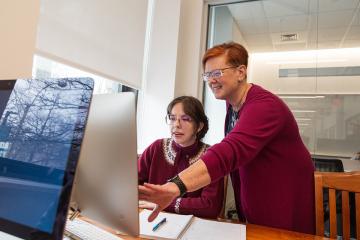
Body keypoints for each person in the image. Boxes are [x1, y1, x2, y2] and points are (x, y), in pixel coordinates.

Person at [139, 42, 316, 234]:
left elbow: (230, 150)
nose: (211, 80)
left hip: (282, 200)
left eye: (217, 73)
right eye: (207, 75)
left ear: (241, 72)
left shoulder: (264, 106)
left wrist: (174, 188)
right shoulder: (232, 106)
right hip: (255, 201)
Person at [138, 96, 224, 219]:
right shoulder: (156, 148)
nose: (176, 125)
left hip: (195, 226)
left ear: (199, 126)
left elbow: (210, 207)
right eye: (172, 118)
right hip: (151, 220)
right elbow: (132, 184)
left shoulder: (211, 156)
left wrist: (163, 203)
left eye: (185, 119)